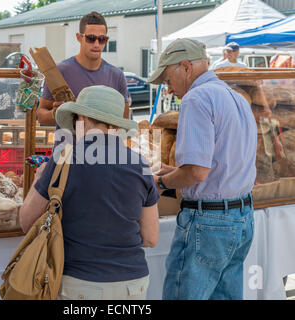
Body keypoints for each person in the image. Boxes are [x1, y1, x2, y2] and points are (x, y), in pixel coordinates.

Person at [20, 85, 159, 300]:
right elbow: (150, 238)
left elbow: (26, 222)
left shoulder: (63, 160)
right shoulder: (140, 164)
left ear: (82, 119)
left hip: (80, 284)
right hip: (133, 284)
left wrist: (39, 177)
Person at [148, 38, 257, 300]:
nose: (168, 88)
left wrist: (161, 183)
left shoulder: (196, 98)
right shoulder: (236, 97)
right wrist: (174, 171)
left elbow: (197, 173)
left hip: (209, 222)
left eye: (167, 79)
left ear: (185, 67)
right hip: (242, 216)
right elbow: (220, 163)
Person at [37, 11, 130, 145]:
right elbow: (41, 115)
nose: (97, 44)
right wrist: (55, 114)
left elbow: (123, 123)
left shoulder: (117, 76)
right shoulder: (59, 71)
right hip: (68, 157)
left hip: (103, 158)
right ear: (79, 38)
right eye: (91, 38)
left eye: (102, 39)